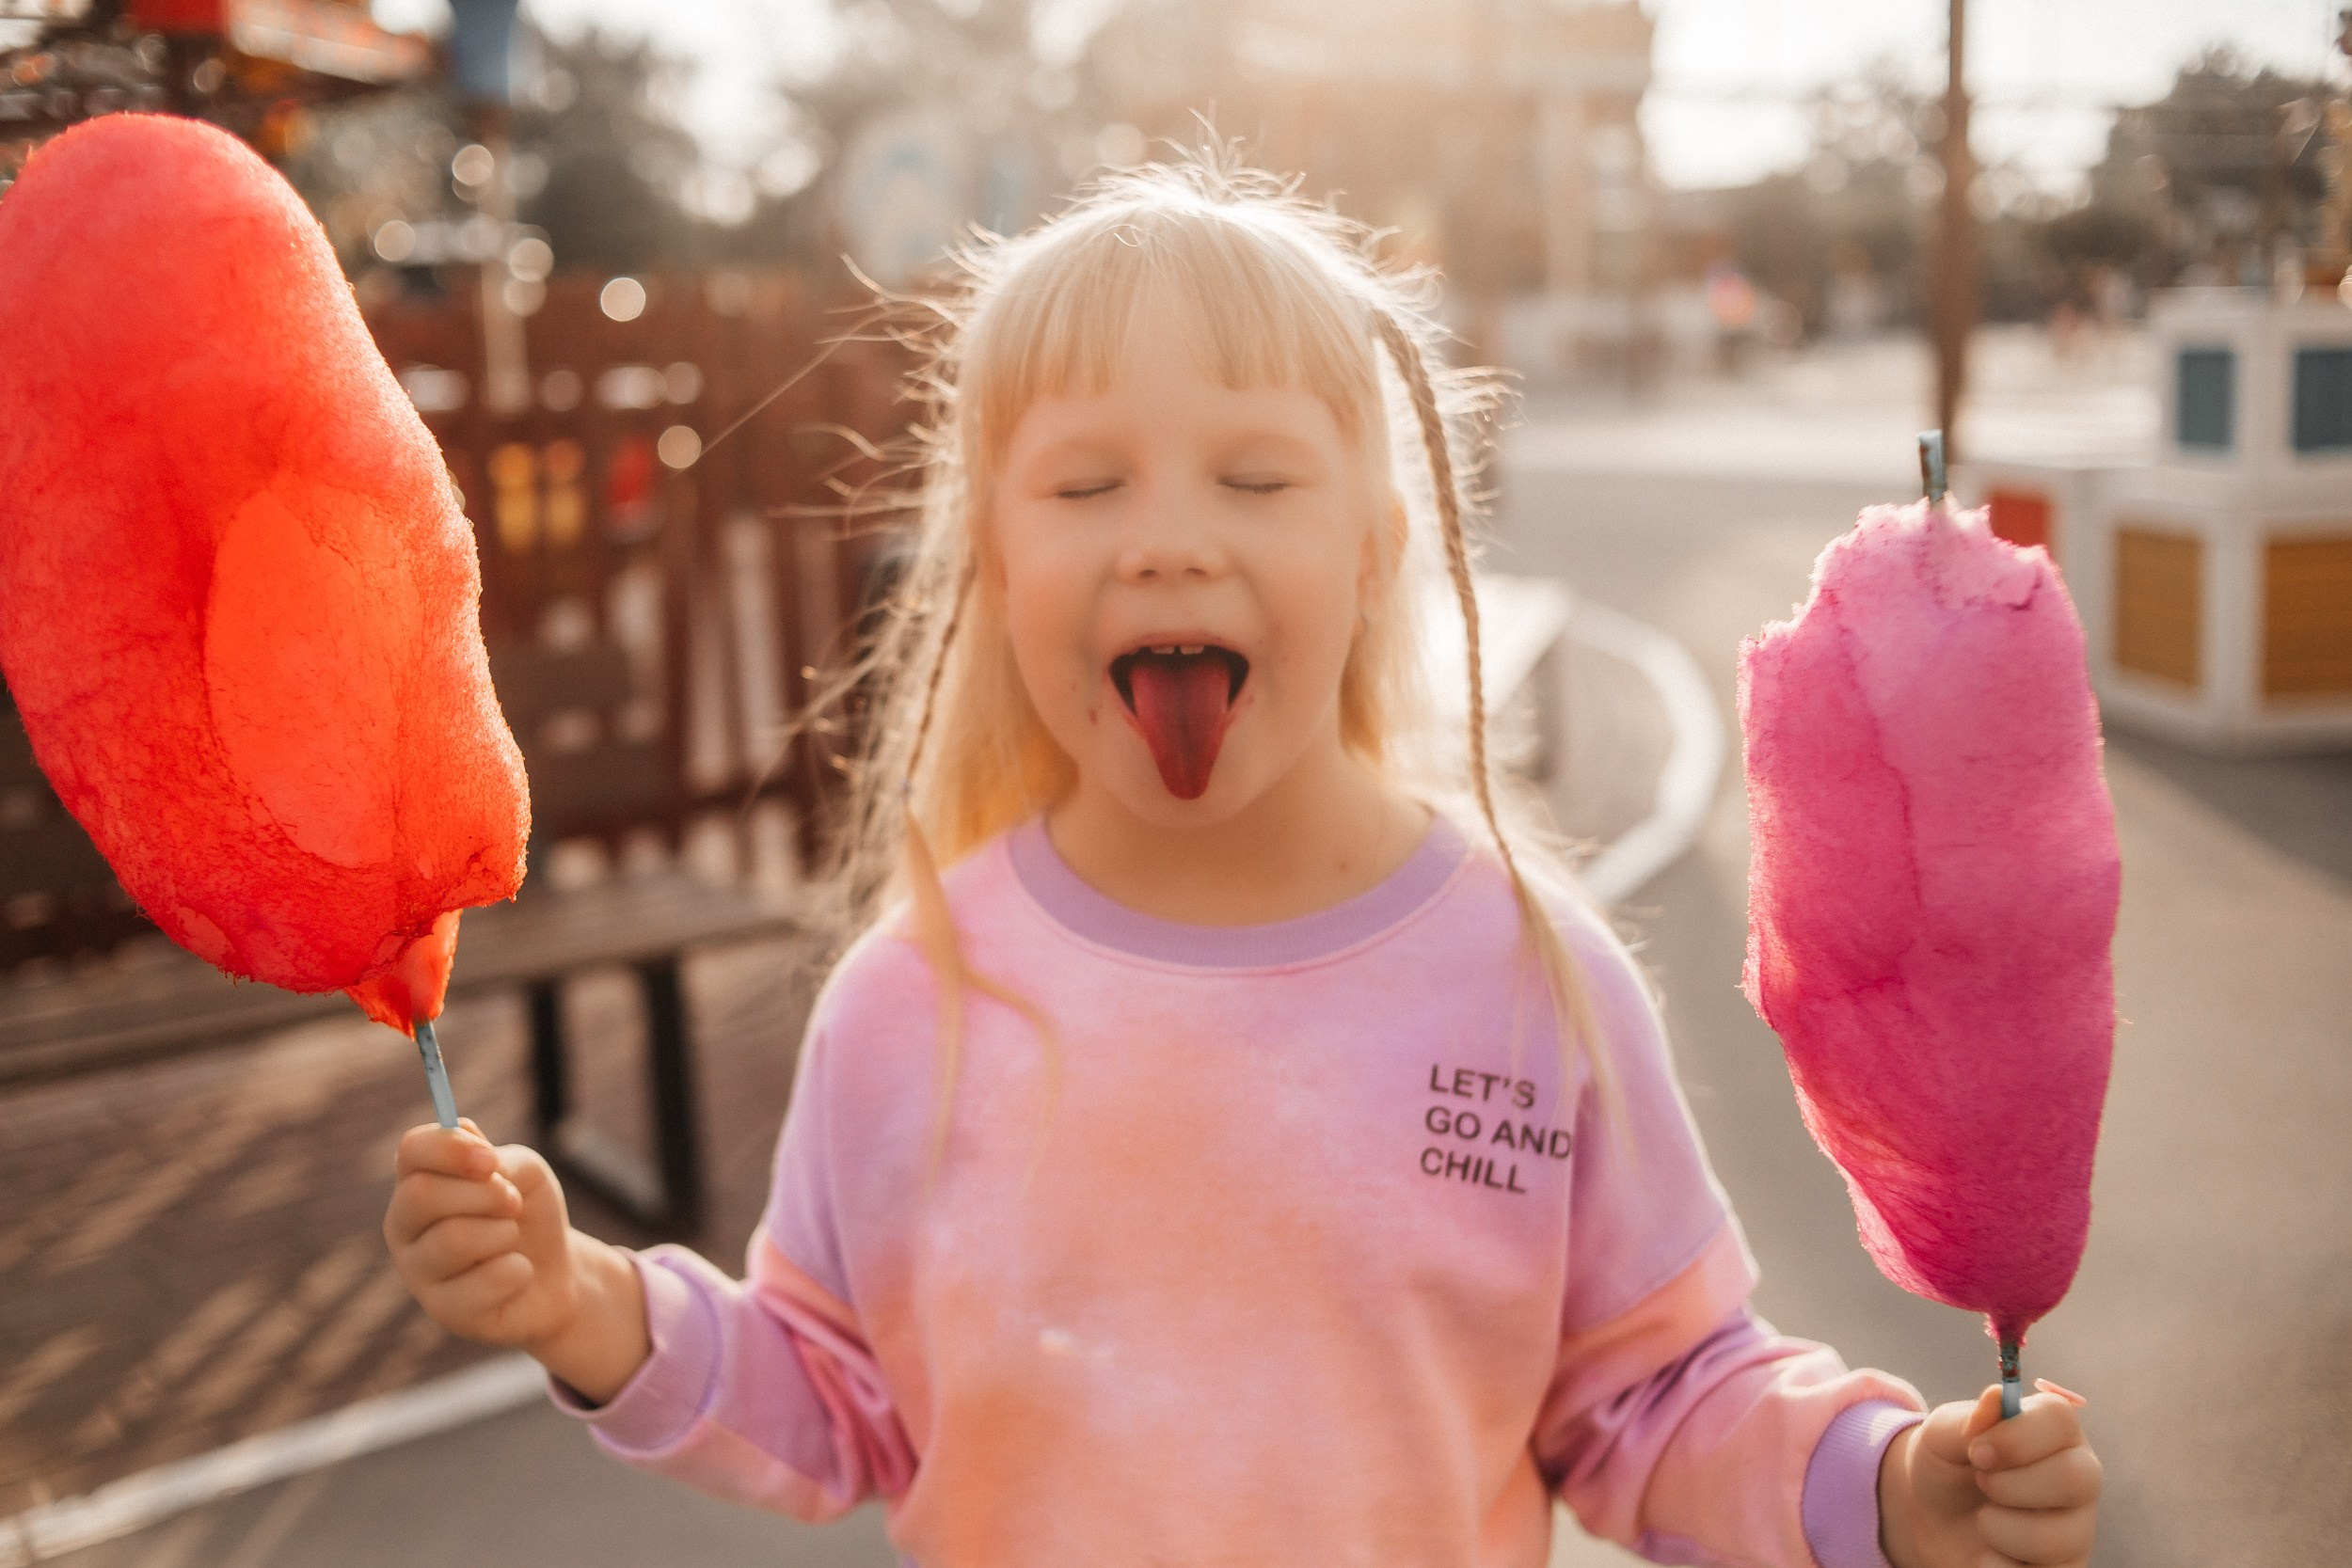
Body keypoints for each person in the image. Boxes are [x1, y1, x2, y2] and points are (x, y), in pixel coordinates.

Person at [384, 154, 2101, 1568]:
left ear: (1373, 549)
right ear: (991, 561)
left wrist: (1884, 1481)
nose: (1172, 537)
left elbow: (1657, 1400)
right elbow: (830, 1397)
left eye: (1257, 474)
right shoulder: (918, 994)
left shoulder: (1531, 976)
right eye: (1087, 485)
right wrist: (590, 1303)